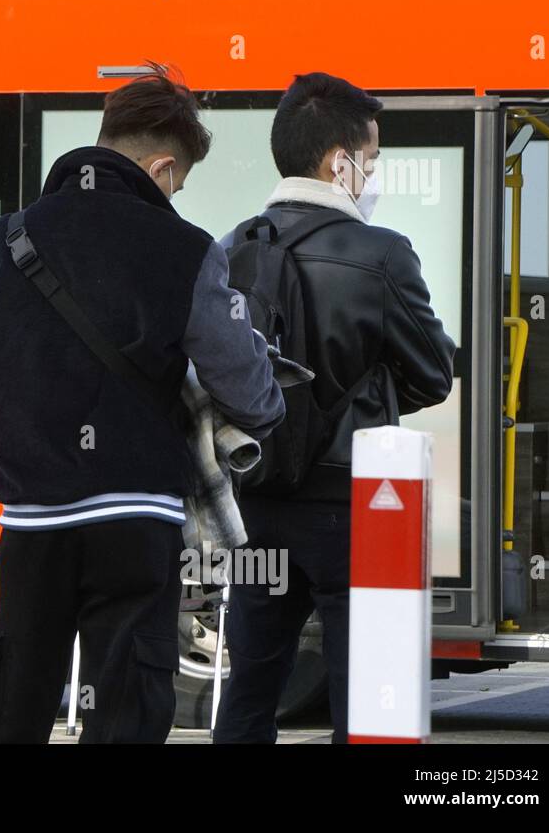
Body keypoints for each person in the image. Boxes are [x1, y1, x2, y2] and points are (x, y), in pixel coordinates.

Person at [0, 65, 284, 743]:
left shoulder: (3, 242)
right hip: (134, 514)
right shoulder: (186, 248)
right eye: (177, 182)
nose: (173, 195)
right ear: (163, 165)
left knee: (13, 703)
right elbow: (248, 391)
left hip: (30, 515)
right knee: (127, 707)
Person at [213, 72, 456, 744]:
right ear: (338, 161)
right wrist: (369, 394)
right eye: (371, 161)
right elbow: (434, 373)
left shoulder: (232, 248)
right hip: (351, 508)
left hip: (254, 504)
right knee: (364, 687)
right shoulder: (381, 255)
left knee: (252, 682)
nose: (373, 175)